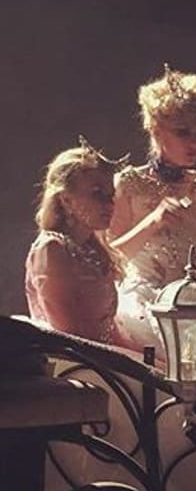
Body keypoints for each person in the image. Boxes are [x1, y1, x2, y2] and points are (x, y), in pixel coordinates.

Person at [109, 63, 196, 363]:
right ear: (156, 129)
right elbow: (110, 260)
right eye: (183, 132)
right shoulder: (129, 183)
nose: (194, 143)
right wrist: (152, 221)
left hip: (195, 304)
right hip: (142, 305)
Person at [25, 137, 128, 343]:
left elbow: (111, 333)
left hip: (103, 355)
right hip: (73, 358)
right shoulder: (51, 249)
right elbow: (69, 336)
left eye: (111, 195)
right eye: (97, 194)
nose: (109, 204)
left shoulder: (93, 249)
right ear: (66, 200)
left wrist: (149, 358)